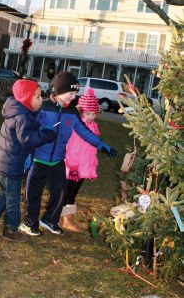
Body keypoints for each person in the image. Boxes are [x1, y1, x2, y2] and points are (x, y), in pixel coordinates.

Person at [19, 71, 117, 237]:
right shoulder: (42, 107)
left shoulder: (71, 112)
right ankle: (30, 222)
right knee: (34, 193)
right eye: (71, 93)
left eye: (75, 94)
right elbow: (27, 131)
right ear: (59, 91)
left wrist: (102, 145)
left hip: (57, 160)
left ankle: (50, 219)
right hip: (39, 159)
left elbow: (84, 131)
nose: (73, 97)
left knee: (60, 191)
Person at [0, 79, 55, 243]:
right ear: (27, 99)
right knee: (13, 199)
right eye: (38, 97)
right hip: (11, 164)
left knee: (6, 193)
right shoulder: (22, 117)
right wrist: (47, 135)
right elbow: (27, 139)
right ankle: (10, 230)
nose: (41, 100)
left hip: (7, 162)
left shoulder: (20, 110)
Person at [60, 87, 101, 232]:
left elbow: (92, 151)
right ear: (81, 112)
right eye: (88, 113)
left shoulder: (93, 127)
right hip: (74, 168)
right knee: (68, 193)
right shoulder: (79, 127)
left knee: (73, 193)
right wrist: (73, 167)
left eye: (93, 114)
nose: (90, 116)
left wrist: (92, 170)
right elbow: (72, 149)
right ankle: (66, 219)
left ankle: (64, 218)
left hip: (84, 168)